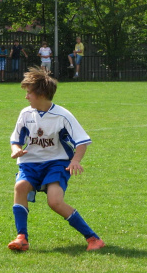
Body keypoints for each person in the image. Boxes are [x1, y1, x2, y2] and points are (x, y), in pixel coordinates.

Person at [8, 66, 105, 252]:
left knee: (54, 202)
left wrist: (75, 161)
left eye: (29, 93)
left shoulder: (62, 115)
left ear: (42, 94)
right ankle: (22, 237)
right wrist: (16, 150)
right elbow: (16, 139)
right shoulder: (25, 114)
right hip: (30, 163)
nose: (26, 97)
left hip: (57, 163)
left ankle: (93, 238)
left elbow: (82, 142)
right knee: (20, 187)